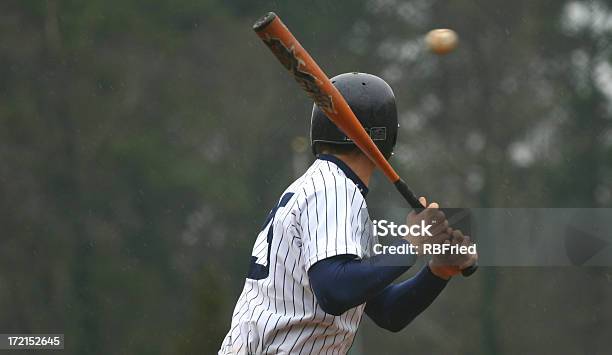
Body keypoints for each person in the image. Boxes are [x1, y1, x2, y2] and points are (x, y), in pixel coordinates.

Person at [219, 72, 477, 355]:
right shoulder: (334, 189)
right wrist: (412, 243)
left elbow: (387, 312)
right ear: (386, 135)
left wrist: (438, 271)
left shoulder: (331, 188)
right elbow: (335, 291)